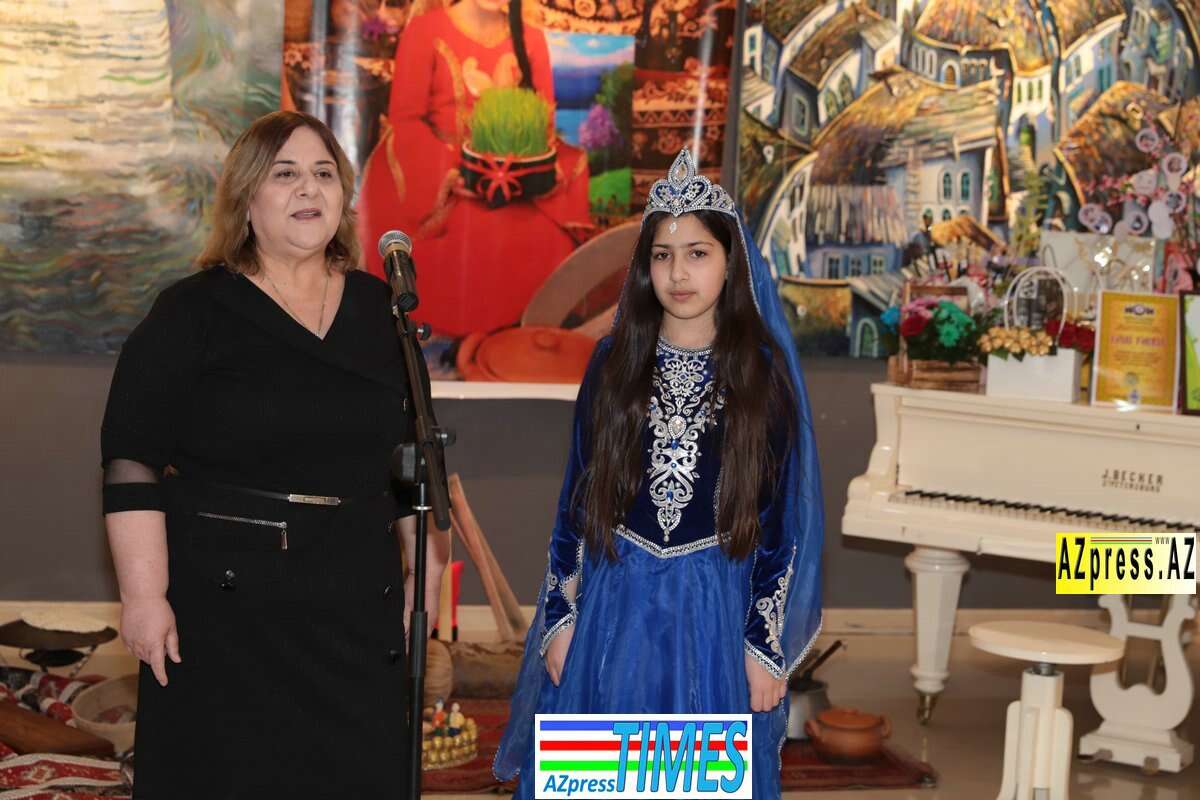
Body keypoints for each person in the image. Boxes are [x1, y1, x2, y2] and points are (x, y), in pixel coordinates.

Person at [100, 110, 447, 798]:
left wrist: (423, 586)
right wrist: (143, 598)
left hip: (356, 605)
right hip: (229, 608)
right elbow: (131, 460)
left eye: (324, 174)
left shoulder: (383, 312)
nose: (308, 189)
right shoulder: (192, 313)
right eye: (285, 174)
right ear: (247, 198)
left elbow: (416, 462)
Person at [493, 149, 824, 798]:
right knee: (603, 777)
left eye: (698, 253)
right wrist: (560, 616)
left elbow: (780, 524)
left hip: (713, 611)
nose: (678, 272)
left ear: (731, 262)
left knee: (693, 781)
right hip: (616, 604)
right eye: (663, 255)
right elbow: (576, 499)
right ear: (645, 267)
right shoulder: (613, 363)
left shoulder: (761, 375)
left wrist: (763, 643)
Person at [356, 0, 591, 338]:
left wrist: (521, 168)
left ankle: (520, 333)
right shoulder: (425, 31)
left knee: (560, 196)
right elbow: (406, 120)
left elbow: (543, 122)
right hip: (439, 170)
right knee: (457, 246)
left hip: (511, 173)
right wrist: (454, 172)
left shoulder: (531, 37)